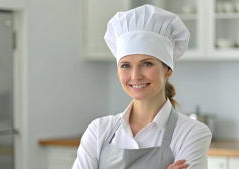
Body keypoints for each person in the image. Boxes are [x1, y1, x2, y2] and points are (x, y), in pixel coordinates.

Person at [72, 4, 212, 169]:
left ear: (168, 69)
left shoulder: (192, 133)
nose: (135, 75)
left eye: (146, 63)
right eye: (125, 65)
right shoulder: (98, 130)